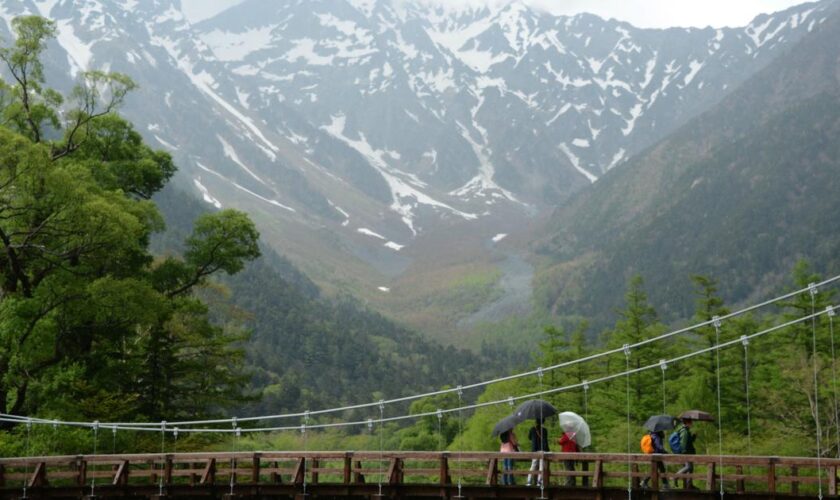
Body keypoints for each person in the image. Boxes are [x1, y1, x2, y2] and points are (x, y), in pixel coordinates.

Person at [674, 418, 698, 489]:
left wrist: (694, 436)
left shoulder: (686, 431)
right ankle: (676, 476)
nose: (692, 424)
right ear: (688, 423)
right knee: (688, 467)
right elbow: (683, 444)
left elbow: (689, 442)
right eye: (691, 422)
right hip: (686, 453)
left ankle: (689, 485)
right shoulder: (684, 431)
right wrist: (684, 454)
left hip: (688, 453)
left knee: (690, 469)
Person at [526, 419, 549, 486]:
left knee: (533, 465)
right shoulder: (544, 430)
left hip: (535, 449)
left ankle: (529, 481)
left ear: (536, 422)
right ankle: (539, 481)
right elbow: (545, 440)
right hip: (542, 449)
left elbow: (529, 437)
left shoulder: (532, 429)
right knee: (541, 466)